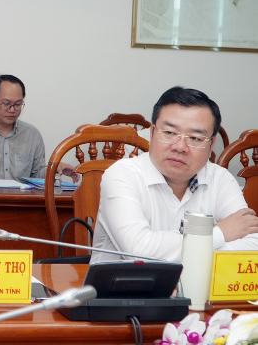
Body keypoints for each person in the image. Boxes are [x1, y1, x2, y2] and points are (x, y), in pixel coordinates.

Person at [91, 87, 258, 263]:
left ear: (211, 145)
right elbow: (139, 252)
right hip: (126, 281)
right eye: (170, 133)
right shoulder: (122, 175)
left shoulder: (220, 178)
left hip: (200, 282)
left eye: (195, 138)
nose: (180, 147)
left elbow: (253, 245)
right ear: (151, 133)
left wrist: (186, 249)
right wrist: (219, 234)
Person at [0, 74, 77, 182]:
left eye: (17, 104)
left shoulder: (32, 134)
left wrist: (54, 168)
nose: (12, 110)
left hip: (22, 193)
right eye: (6, 103)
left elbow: (36, 175)